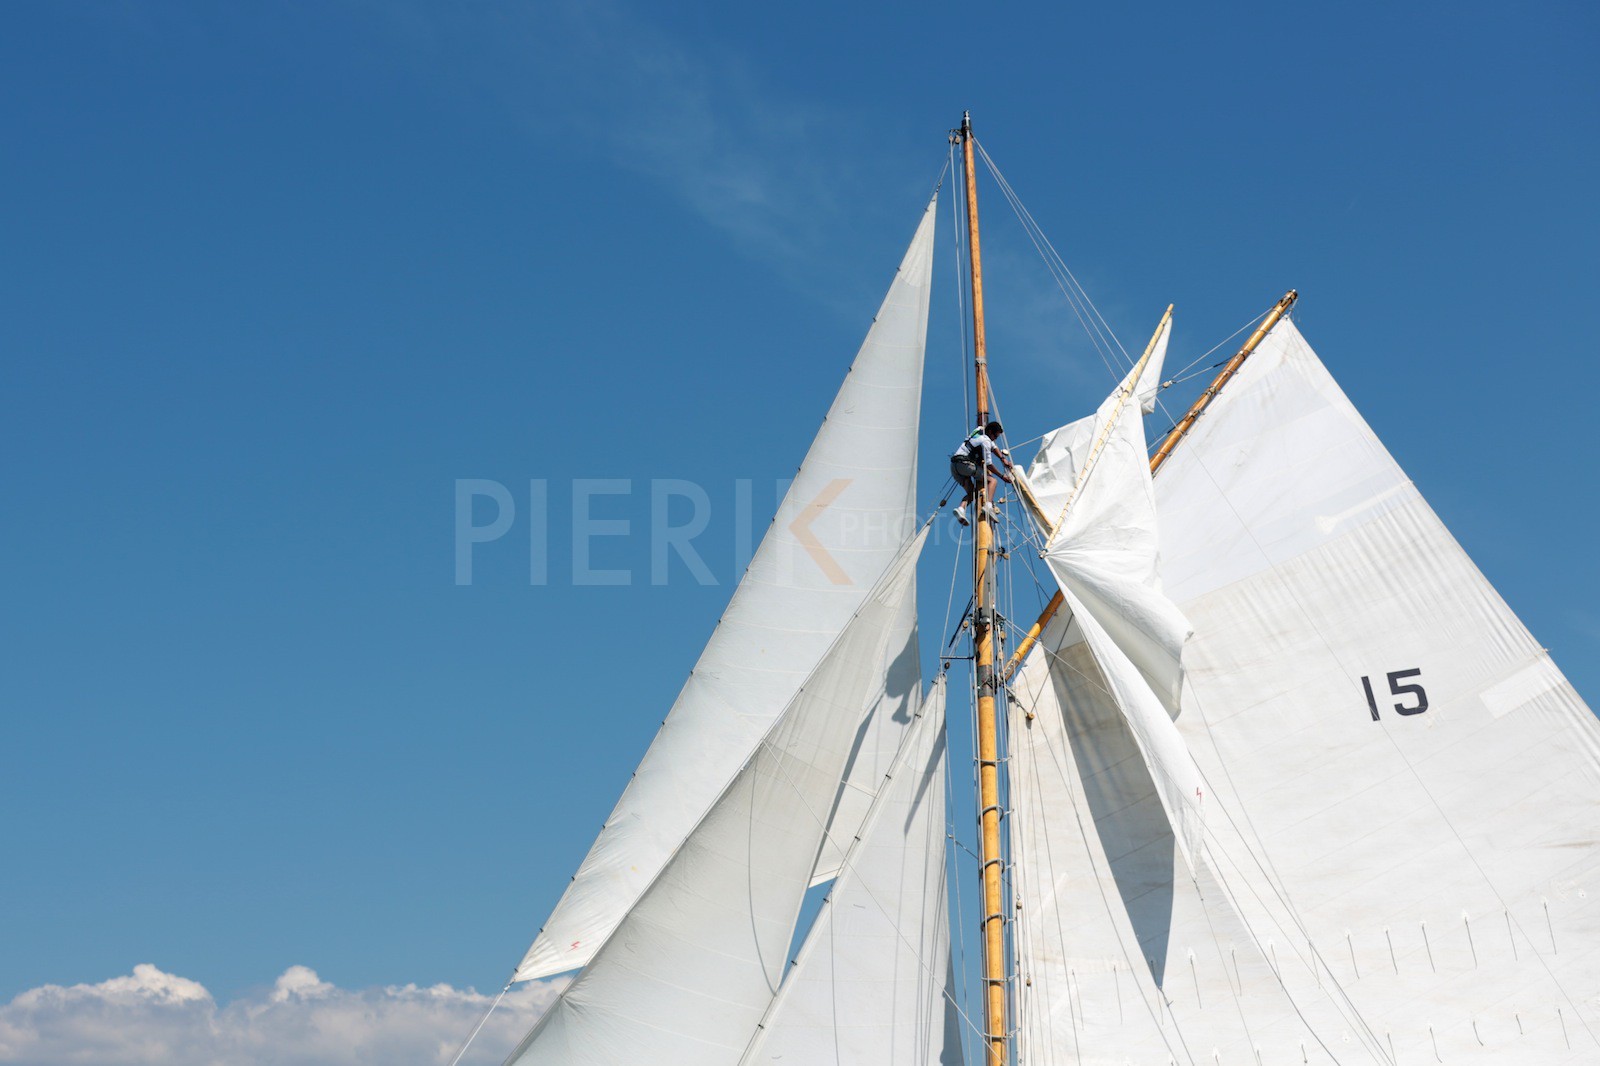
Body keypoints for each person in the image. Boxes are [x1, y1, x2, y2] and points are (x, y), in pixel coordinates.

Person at [950, 420, 1012, 526]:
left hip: (955, 466)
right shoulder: (986, 441)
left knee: (972, 492)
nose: (995, 439)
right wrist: (1002, 476)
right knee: (992, 481)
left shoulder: (978, 431)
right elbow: (989, 465)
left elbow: (994, 446)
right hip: (966, 465)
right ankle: (988, 506)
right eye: (995, 436)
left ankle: (961, 508)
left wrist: (1002, 458)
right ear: (991, 432)